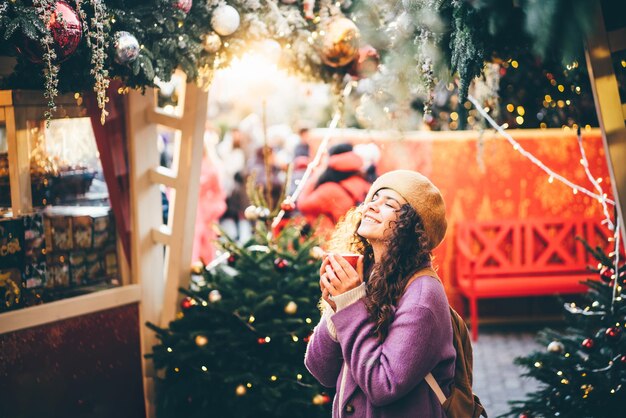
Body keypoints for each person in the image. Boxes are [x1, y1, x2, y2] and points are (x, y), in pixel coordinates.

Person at [304, 170, 455, 418]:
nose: (372, 206)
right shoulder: (366, 275)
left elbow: (383, 385)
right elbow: (321, 370)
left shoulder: (422, 297)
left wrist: (350, 304)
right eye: (373, 198)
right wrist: (335, 307)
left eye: (389, 204)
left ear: (411, 226)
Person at [297, 143, 371, 240]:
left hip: (329, 242)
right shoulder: (364, 184)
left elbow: (303, 205)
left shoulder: (330, 190)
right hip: (351, 240)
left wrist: (317, 174)